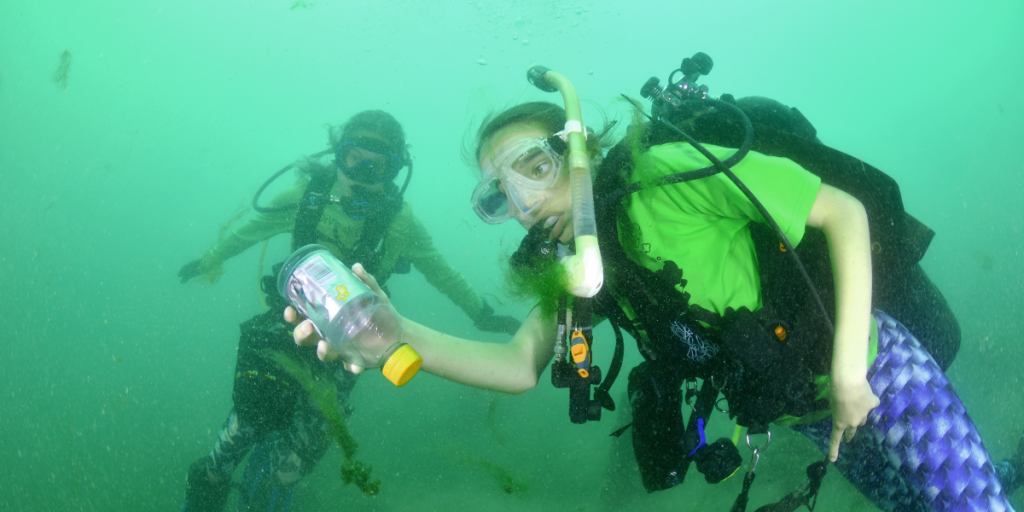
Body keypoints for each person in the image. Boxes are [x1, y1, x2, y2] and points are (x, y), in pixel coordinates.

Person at [290, 95, 1022, 512]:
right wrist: (392, 334)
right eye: (497, 197)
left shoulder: (664, 177)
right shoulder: (584, 273)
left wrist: (854, 377)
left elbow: (843, 214)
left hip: (875, 370)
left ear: (577, 149)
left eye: (535, 168)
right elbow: (517, 364)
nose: (524, 204)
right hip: (807, 417)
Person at [179, 110, 520, 512]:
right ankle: (210, 484)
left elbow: (440, 271)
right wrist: (208, 260)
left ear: (396, 171)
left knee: (294, 462)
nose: (363, 172)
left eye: (380, 165)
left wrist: (481, 312)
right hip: (287, 325)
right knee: (244, 426)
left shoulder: (399, 221)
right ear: (336, 155)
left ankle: (266, 495)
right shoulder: (306, 197)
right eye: (354, 157)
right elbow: (249, 231)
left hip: (353, 344)